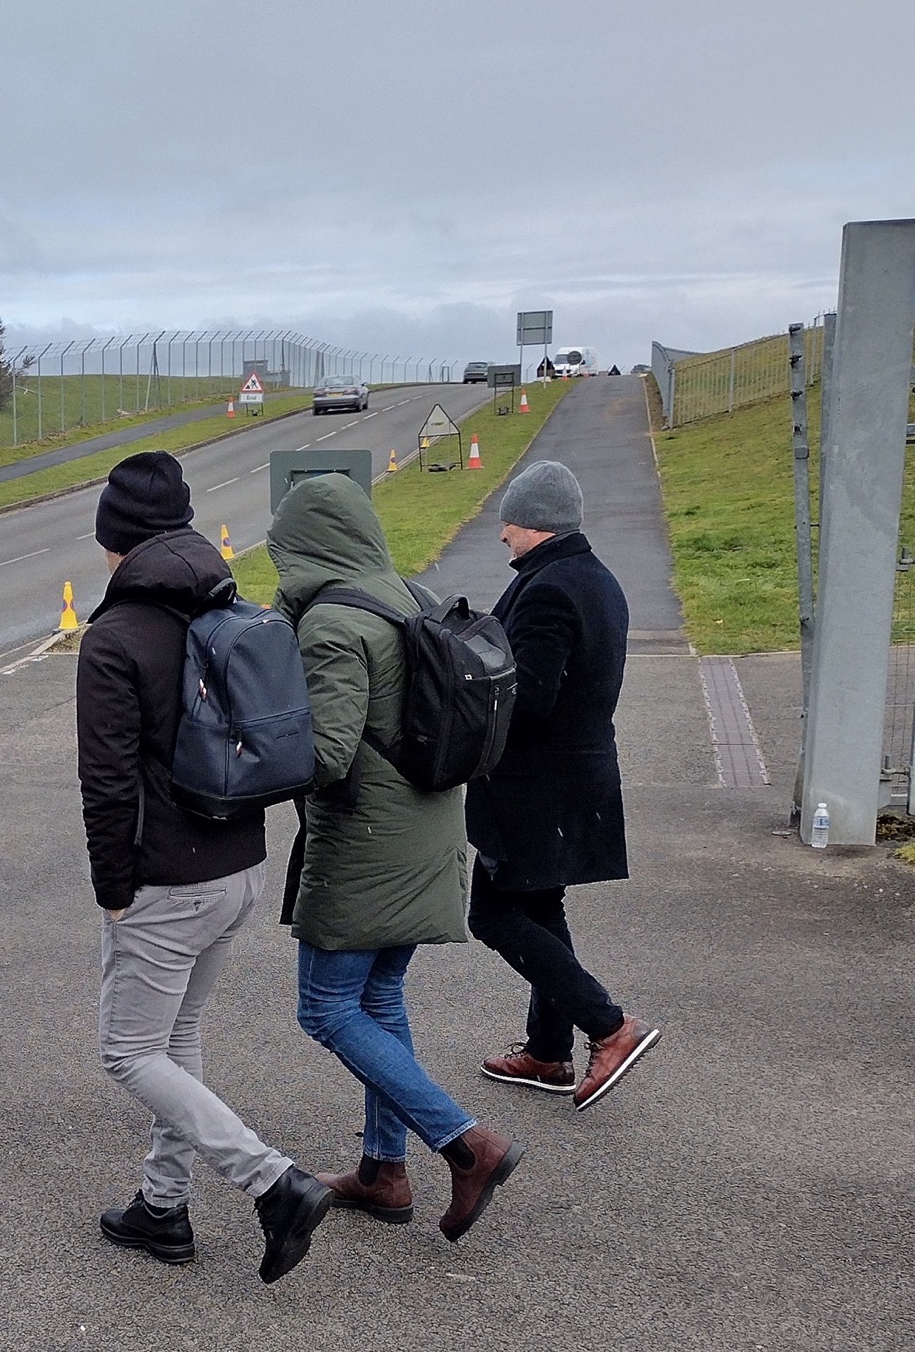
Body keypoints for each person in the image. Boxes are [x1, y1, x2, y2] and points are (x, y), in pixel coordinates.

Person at [75, 451, 339, 1283]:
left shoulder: (115, 638)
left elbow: (108, 782)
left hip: (165, 880)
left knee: (127, 1051)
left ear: (114, 542)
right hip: (240, 867)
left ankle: (271, 1181)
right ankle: (163, 1208)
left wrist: (113, 890)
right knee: (176, 1036)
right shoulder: (227, 608)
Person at [269, 471, 521, 1242]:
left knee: (327, 1008)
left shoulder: (331, 625)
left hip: (369, 843)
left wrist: (250, 756)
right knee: (377, 1001)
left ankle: (465, 1142)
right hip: (434, 827)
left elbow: (329, 754)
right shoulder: (409, 595)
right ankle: (384, 1171)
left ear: (304, 547)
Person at [464, 460, 660, 1109]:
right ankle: (547, 1053)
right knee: (541, 910)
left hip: (534, 787)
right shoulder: (596, 579)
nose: (502, 537)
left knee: (493, 915)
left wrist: (466, 702)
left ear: (536, 524)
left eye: (509, 524)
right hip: (576, 776)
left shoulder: (549, 589)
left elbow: (532, 696)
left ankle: (608, 1026)